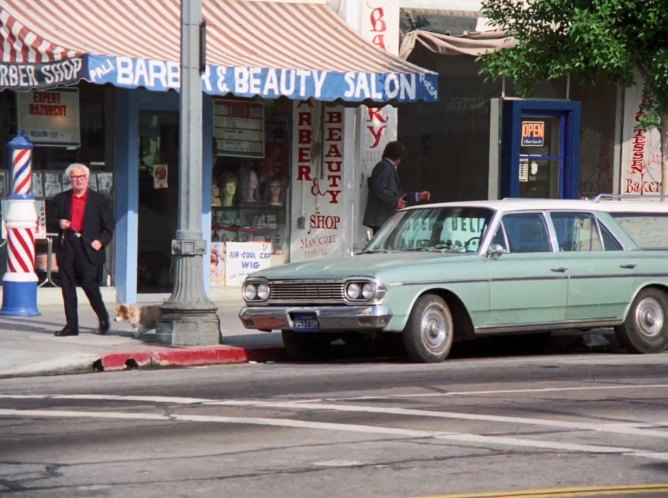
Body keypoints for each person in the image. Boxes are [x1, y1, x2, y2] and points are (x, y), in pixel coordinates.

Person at [52, 163, 114, 336]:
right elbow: (51, 219)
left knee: (90, 286)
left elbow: (109, 226)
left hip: (89, 247)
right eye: (74, 177)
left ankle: (103, 318)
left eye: (81, 177)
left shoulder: (99, 199)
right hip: (67, 246)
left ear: (87, 178)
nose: (78, 180)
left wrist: (100, 242)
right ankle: (72, 326)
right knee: (67, 288)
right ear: (70, 179)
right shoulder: (61, 198)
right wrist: (59, 223)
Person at [363, 141, 430, 234]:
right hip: (381, 218)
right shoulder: (384, 167)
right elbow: (379, 189)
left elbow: (396, 193)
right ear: (399, 157)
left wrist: (417, 196)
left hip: (383, 218)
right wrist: (395, 201)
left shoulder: (386, 167)